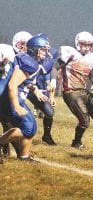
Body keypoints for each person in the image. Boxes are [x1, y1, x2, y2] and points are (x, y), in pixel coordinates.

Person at [55, 31, 93, 150]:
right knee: (84, 120)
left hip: (83, 91)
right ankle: (76, 142)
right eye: (84, 44)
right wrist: (52, 81)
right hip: (70, 91)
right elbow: (55, 67)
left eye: (89, 45)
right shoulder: (69, 53)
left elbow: (92, 72)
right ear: (77, 43)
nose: (87, 47)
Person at [0, 34, 52, 163]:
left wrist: (35, 90)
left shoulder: (28, 60)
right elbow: (12, 85)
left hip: (12, 98)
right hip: (10, 99)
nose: (46, 53)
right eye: (43, 49)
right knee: (29, 128)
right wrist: (17, 106)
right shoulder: (29, 62)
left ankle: (24, 156)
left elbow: (24, 81)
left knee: (31, 127)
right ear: (34, 49)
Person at [0, 31, 32, 156]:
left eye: (26, 45)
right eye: (21, 44)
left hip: (6, 97)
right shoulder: (6, 50)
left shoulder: (26, 60)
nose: (23, 48)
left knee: (9, 123)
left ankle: (5, 146)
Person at [26, 34, 59, 146]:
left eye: (46, 49)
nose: (46, 51)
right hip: (21, 91)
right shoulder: (23, 59)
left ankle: (46, 136)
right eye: (43, 49)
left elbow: (49, 76)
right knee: (21, 120)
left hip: (34, 89)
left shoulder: (44, 60)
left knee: (49, 112)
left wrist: (51, 96)